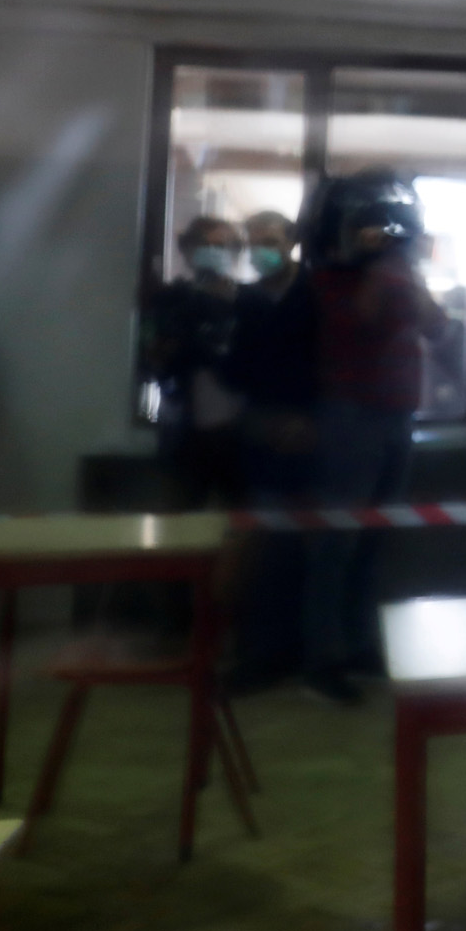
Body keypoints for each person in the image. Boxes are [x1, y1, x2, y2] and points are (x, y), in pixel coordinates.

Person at [304, 171, 450, 704]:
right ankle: (322, 659)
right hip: (349, 417)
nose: (380, 240)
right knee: (336, 542)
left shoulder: (400, 274)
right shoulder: (326, 281)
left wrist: (407, 275)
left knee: (375, 539)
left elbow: (438, 329)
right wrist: (381, 275)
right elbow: (358, 324)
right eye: (369, 232)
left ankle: (361, 645)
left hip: (396, 416)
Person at [223, 210, 320, 692]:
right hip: (261, 434)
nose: (262, 249)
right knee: (264, 549)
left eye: (271, 239)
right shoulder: (245, 300)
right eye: (254, 241)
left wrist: (309, 419)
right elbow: (236, 371)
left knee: (314, 549)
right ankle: (263, 655)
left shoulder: (316, 294)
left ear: (292, 242)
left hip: (314, 437)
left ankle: (312, 652)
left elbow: (330, 362)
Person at [141, 215, 247, 509]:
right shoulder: (169, 302)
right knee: (179, 517)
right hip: (183, 428)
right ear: (187, 252)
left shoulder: (250, 302)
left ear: (236, 252)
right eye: (204, 245)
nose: (213, 252)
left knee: (243, 522)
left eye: (222, 246)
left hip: (242, 433)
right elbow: (151, 362)